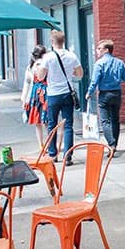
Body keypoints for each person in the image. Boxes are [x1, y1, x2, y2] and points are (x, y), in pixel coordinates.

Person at [36, 30, 82, 165]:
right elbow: (80, 74)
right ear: (64, 41)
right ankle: (67, 156)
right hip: (67, 93)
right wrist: (70, 73)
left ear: (52, 42)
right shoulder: (72, 56)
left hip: (53, 94)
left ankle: (53, 154)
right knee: (68, 125)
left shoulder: (48, 57)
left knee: (52, 125)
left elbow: (40, 77)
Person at [86, 39, 125, 153]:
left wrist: (89, 93)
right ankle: (115, 143)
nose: (97, 51)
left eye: (99, 48)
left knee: (105, 121)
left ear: (106, 50)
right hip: (116, 93)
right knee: (115, 120)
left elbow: (94, 81)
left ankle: (111, 144)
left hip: (104, 94)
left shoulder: (99, 64)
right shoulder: (120, 63)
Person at [21, 45, 49, 149]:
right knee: (47, 120)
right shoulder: (45, 63)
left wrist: (24, 99)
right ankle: (50, 142)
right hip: (46, 92)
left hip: (34, 94)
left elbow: (27, 83)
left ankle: (41, 144)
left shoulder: (30, 67)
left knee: (38, 121)